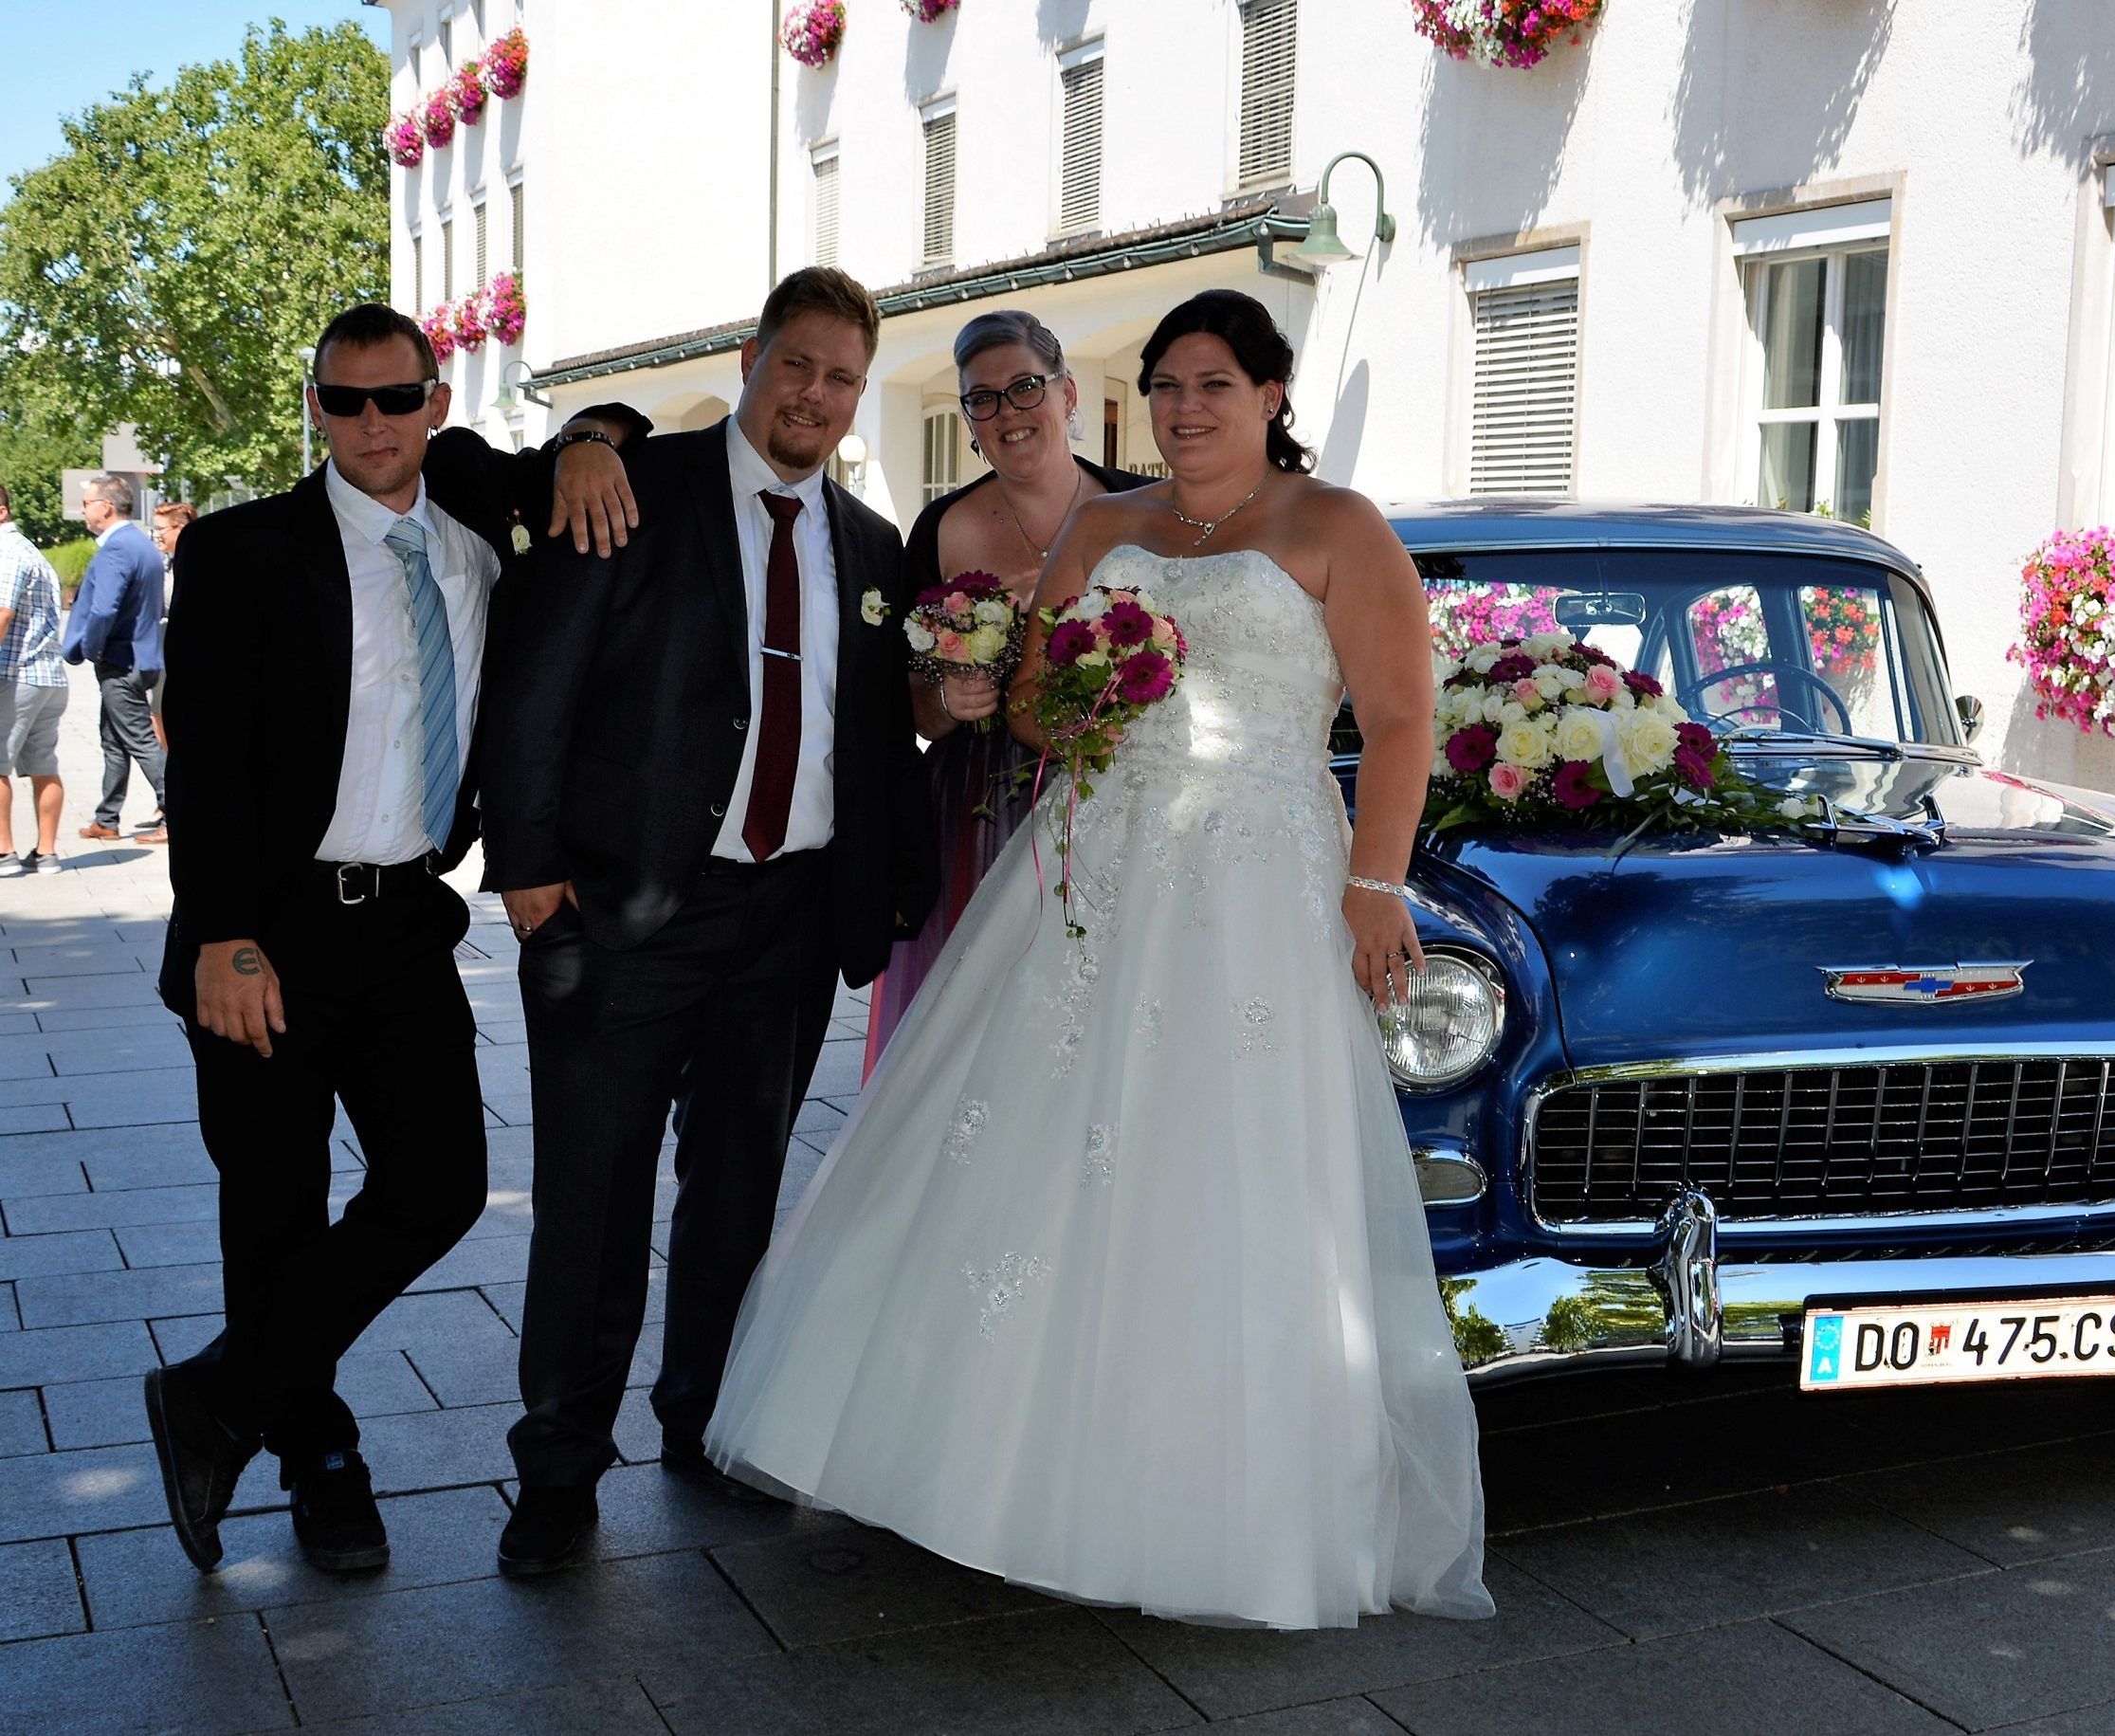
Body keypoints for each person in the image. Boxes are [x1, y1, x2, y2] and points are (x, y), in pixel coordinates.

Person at [704, 289, 1491, 1629]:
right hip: (1090, 857)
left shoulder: (1333, 528)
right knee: (1012, 1145)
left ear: (1270, 394)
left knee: (1227, 1166)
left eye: (1213, 386)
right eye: (1167, 386)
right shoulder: (1106, 524)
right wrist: (1078, 681)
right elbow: (1025, 700)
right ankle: (968, 1464)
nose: (1185, 409)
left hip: (1259, 874)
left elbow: (1403, 715)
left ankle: (1199, 1498)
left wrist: (1374, 884)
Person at [142, 301, 647, 1579]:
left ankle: (218, 1391)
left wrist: (590, 428)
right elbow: (200, 764)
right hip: (266, 929)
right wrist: (223, 935)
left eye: (395, 397)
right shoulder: (246, 551)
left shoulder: (485, 524)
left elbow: (606, 452)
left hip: (405, 919)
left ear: (436, 399)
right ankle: (318, 1457)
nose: (371, 422)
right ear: (314, 407)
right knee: (272, 1208)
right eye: (343, 400)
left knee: (441, 1183)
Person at [480, 265, 936, 1577]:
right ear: (752, 358)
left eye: (841, 376)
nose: (815, 394)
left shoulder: (863, 541)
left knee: (736, 1190)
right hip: (620, 914)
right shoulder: (632, 487)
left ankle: (705, 1421)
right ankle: (558, 1471)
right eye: (796, 364)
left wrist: (887, 885)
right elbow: (534, 682)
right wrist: (525, 868)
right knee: (593, 1200)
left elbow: (872, 733)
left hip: (786, 919)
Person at [860, 311, 1143, 1075]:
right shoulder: (940, 530)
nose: (1007, 413)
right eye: (981, 400)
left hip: (1127, 794)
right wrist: (948, 701)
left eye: (1025, 387)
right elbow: (907, 710)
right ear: (969, 422)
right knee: (985, 1028)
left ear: (1067, 392)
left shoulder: (1144, 513)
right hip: (978, 814)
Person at [62, 472, 167, 843]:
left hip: (122, 661)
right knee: (114, 738)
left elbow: (103, 610)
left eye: (87, 503)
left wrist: (92, 648)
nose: (83, 510)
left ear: (106, 507)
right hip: (141, 657)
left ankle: (175, 813)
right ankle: (107, 819)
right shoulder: (140, 544)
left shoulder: (118, 548)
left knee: (140, 740)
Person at [0, 484, 68, 876]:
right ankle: (47, 853)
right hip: (47, 674)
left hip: (16, 673)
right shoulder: (31, 551)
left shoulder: (7, 553)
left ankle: (4, 853)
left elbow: (3, 614)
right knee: (43, 765)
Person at [141, 501, 199, 840]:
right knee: (160, 727)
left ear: (181, 528)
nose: (157, 535)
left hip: (181, 659)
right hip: (165, 654)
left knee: (171, 733)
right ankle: (169, 808)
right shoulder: (169, 563)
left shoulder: (196, 564)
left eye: (162, 529)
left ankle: (174, 814)